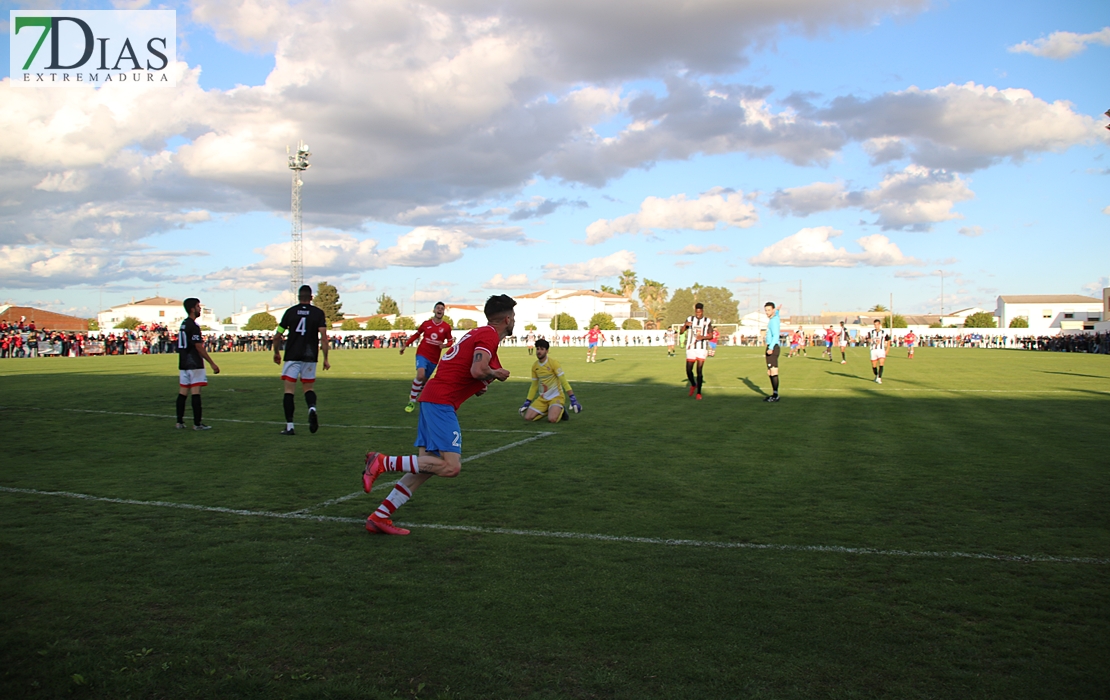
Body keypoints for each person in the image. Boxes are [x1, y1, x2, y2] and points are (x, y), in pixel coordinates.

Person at [361, 294, 516, 536]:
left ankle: (379, 516)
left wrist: (487, 378)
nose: (514, 320)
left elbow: (475, 374)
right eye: (514, 316)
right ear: (507, 318)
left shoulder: (477, 335)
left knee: (425, 469)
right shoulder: (488, 335)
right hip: (440, 402)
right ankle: (382, 462)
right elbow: (478, 369)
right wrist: (494, 374)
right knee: (450, 467)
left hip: (433, 399)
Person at [273, 284, 330, 435]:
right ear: (311, 297)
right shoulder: (318, 313)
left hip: (292, 354)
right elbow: (324, 338)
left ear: (299, 297)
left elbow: (278, 334)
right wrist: (326, 358)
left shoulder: (290, 312)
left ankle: (290, 426)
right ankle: (312, 408)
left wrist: (276, 352)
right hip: (310, 356)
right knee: (308, 388)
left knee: (289, 391)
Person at [400, 301, 453, 412]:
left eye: (441, 309)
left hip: (434, 358)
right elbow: (416, 334)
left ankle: (422, 398)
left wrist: (444, 345)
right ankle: (412, 401)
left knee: (424, 382)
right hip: (422, 353)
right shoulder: (426, 324)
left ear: (444, 312)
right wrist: (406, 345)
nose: (439, 310)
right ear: (434, 310)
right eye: (437, 308)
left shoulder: (446, 327)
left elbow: (450, 341)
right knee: (420, 375)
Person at [176, 297, 220, 430]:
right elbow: (198, 346)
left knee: (183, 392)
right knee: (196, 393)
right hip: (194, 363)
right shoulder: (193, 326)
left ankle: (179, 422)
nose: (200, 309)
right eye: (198, 306)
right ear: (192, 309)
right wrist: (212, 363)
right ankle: (197, 423)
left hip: (183, 362)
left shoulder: (183, 324)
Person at [519, 339, 582, 423]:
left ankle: (561, 409)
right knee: (528, 418)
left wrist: (573, 399)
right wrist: (527, 402)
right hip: (543, 398)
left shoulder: (553, 363)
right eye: (537, 349)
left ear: (547, 351)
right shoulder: (535, 366)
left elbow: (564, 381)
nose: (539, 351)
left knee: (552, 419)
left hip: (556, 397)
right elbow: (534, 386)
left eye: (542, 349)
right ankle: (549, 409)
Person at [679, 303, 713, 400]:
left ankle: (699, 393)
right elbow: (681, 332)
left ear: (702, 311)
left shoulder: (707, 321)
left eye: (699, 312)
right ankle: (693, 384)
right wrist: (685, 325)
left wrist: (702, 337)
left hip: (701, 348)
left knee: (699, 370)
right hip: (691, 347)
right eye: (696, 312)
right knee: (688, 370)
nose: (698, 314)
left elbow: (711, 336)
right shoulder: (690, 319)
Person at [763, 302, 781, 402]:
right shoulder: (774, 318)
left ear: (772, 310)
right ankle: (774, 394)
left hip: (772, 347)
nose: (767, 312)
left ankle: (776, 395)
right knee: (770, 371)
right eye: (766, 310)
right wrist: (777, 311)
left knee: (773, 371)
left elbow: (776, 335)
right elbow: (777, 314)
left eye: (769, 310)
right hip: (771, 346)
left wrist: (771, 347)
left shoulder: (773, 321)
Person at [866, 318, 890, 384]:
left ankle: (879, 378)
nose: (876, 326)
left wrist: (887, 349)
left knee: (881, 363)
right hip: (873, 350)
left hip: (881, 350)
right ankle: (876, 375)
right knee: (874, 366)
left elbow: (888, 340)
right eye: (875, 324)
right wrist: (871, 341)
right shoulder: (871, 332)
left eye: (877, 324)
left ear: (880, 324)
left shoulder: (884, 332)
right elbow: (868, 339)